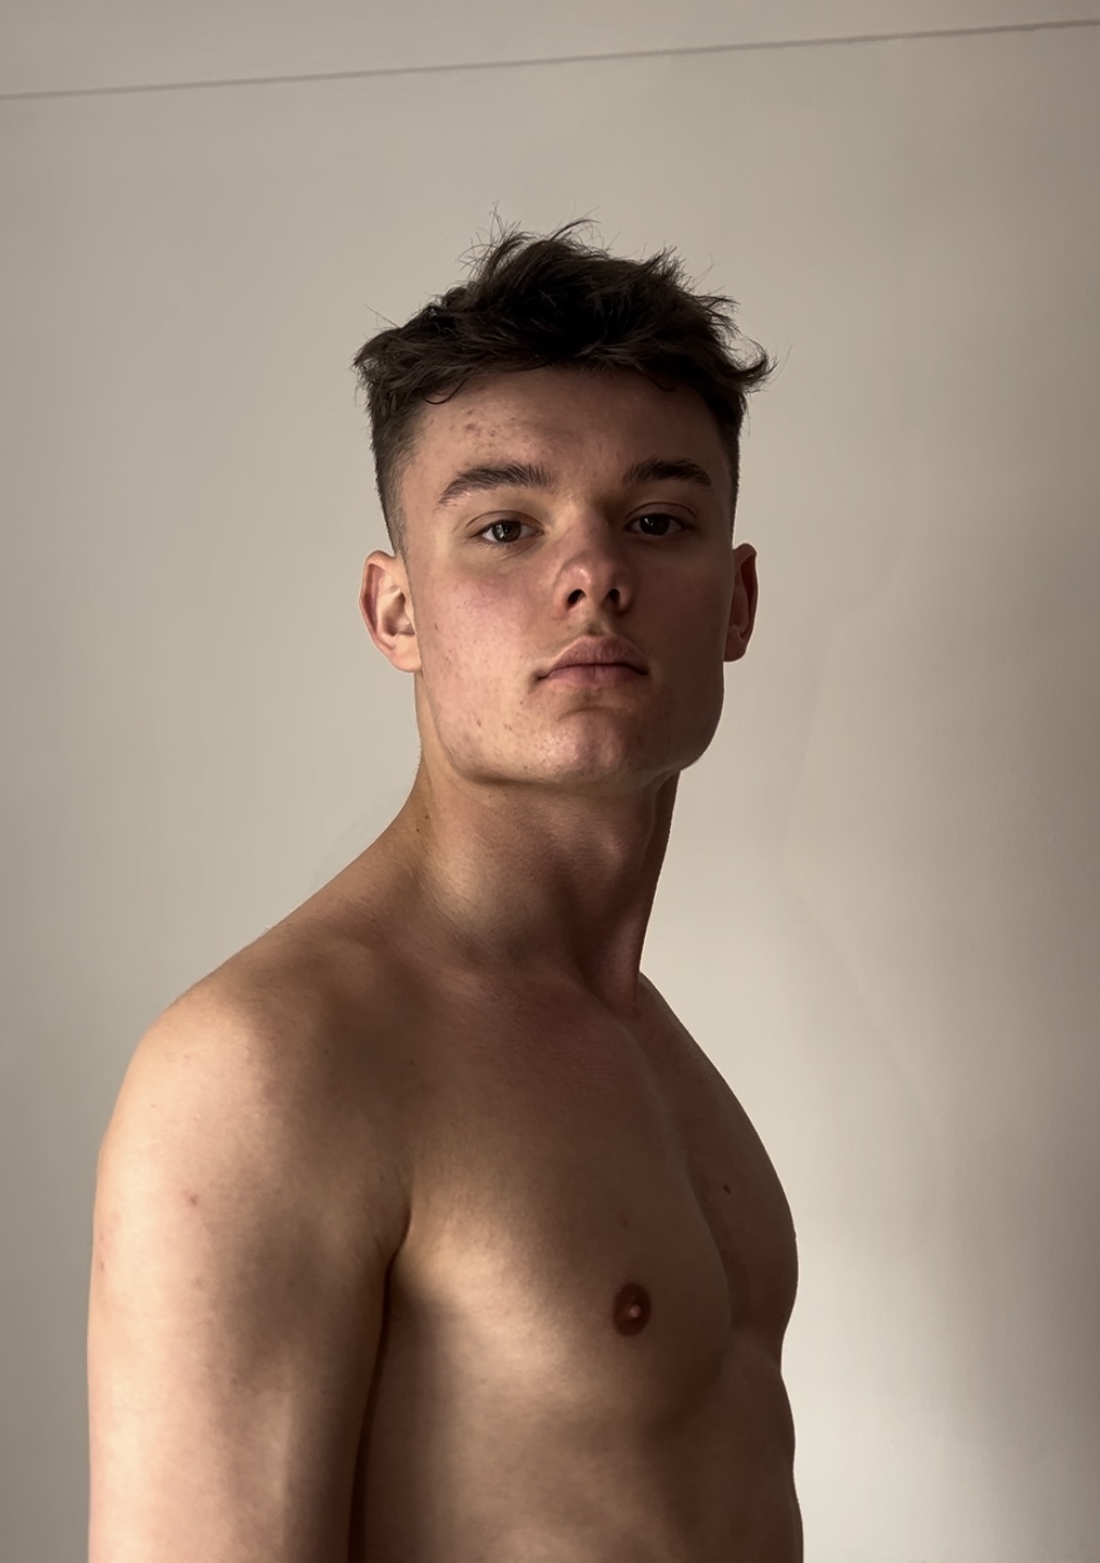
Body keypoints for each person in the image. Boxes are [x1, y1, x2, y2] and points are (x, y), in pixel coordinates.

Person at [87, 216, 800, 1562]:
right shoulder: (266, 1065)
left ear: (735, 602)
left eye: (656, 522)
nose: (593, 576)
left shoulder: (658, 1055)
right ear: (396, 609)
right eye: (504, 527)